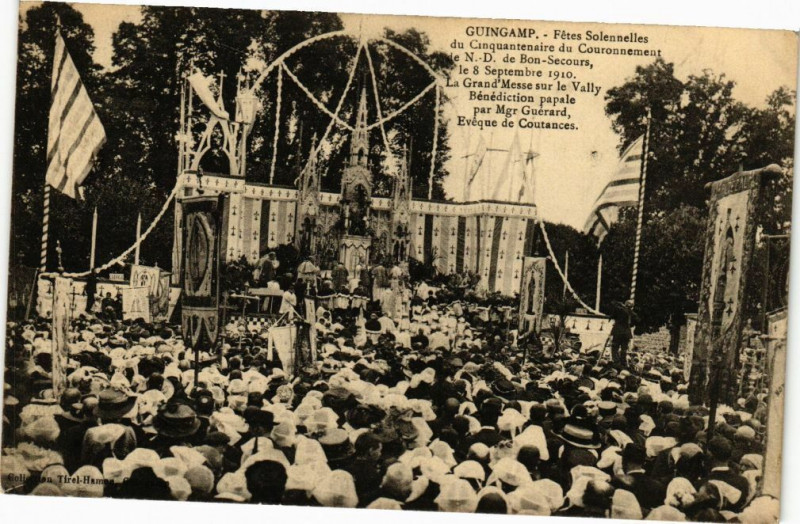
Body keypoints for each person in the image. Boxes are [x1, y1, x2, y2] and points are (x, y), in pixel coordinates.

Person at [609, 300, 637, 367]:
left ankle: (616, 362)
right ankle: (623, 362)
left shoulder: (619, 310)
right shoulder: (632, 314)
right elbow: (636, 321)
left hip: (618, 331)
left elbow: (613, 315)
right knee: (624, 348)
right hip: (627, 333)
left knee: (615, 347)